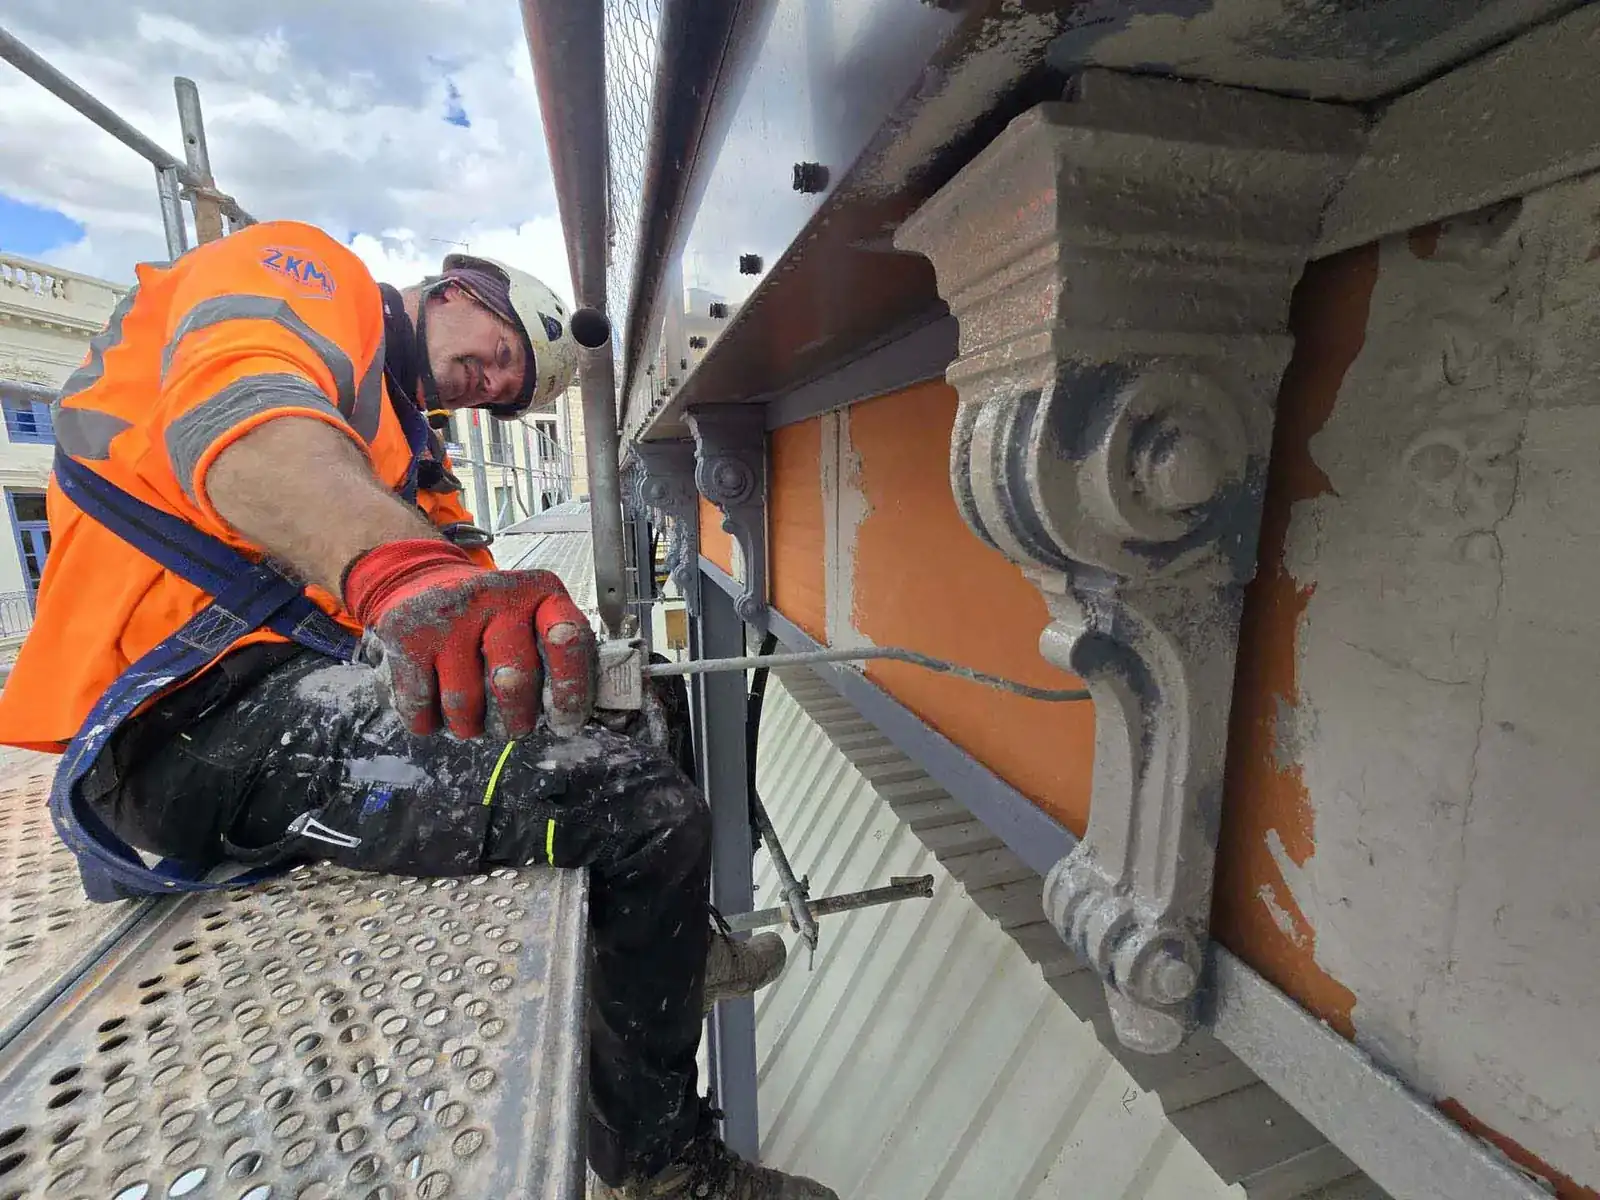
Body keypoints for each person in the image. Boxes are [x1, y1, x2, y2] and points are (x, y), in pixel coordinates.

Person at [0, 221, 836, 1200]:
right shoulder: (305, 274)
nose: (493, 381)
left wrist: (569, 675)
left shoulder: (404, 450)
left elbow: (482, 622)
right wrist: (395, 569)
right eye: (506, 351)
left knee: (636, 707)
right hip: (182, 726)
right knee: (636, 812)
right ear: (461, 291)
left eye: (510, 390)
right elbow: (239, 414)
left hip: (287, 706)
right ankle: (663, 1167)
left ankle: (666, 951)